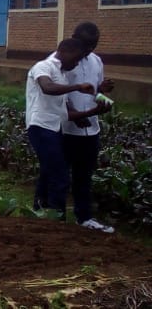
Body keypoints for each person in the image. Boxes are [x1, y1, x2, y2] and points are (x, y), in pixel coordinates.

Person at [26, 38, 94, 221]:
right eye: (76, 59)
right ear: (65, 52)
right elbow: (47, 87)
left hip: (53, 129)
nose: (77, 63)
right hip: (40, 127)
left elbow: (64, 110)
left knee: (49, 171)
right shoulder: (43, 66)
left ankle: (40, 212)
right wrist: (78, 86)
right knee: (60, 175)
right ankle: (57, 219)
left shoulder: (62, 74)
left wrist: (92, 111)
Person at [62, 22, 115, 233]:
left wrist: (102, 94)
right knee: (57, 175)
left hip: (91, 129)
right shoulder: (61, 60)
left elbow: (94, 92)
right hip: (66, 129)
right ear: (74, 38)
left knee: (84, 176)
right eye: (86, 45)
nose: (89, 50)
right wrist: (75, 114)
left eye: (93, 46)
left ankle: (84, 218)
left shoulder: (96, 61)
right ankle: (48, 217)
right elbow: (58, 93)